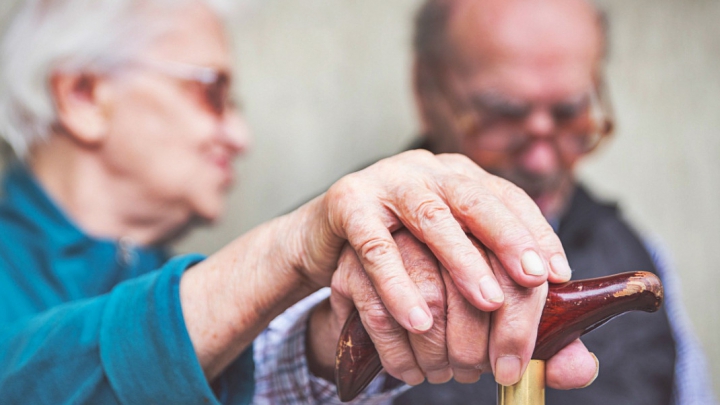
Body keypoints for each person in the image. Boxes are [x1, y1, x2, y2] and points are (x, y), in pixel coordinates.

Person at [0, 0, 600, 404]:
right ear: (81, 94)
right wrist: (284, 251)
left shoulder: (159, 277)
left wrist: (346, 332)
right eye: (212, 93)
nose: (240, 137)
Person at [393, 0, 717, 404]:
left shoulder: (640, 256)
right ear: (427, 92)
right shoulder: (340, 268)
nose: (541, 161)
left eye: (569, 112)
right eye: (503, 114)